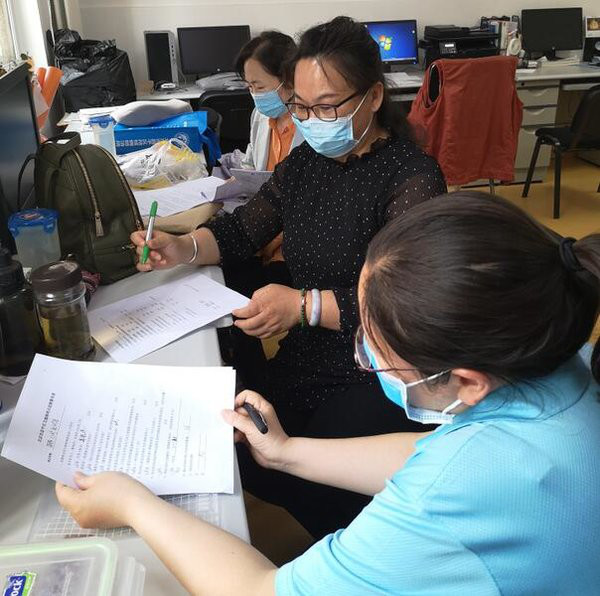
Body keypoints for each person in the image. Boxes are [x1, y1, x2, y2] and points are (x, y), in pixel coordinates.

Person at [58, 191, 600, 594]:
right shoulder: (560, 359)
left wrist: (134, 504)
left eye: (376, 350)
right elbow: (431, 451)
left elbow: (257, 591)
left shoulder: (451, 498)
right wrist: (287, 452)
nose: (366, 358)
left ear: (466, 382)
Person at [130, 16, 447, 538]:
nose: (311, 120)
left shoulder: (412, 179)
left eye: (327, 106)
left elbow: (407, 305)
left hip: (378, 365)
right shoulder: (305, 164)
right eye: (300, 106)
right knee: (247, 448)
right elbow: (242, 230)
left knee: (307, 472)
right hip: (310, 352)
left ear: (372, 97)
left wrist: (304, 306)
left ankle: (360, 549)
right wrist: (183, 247)